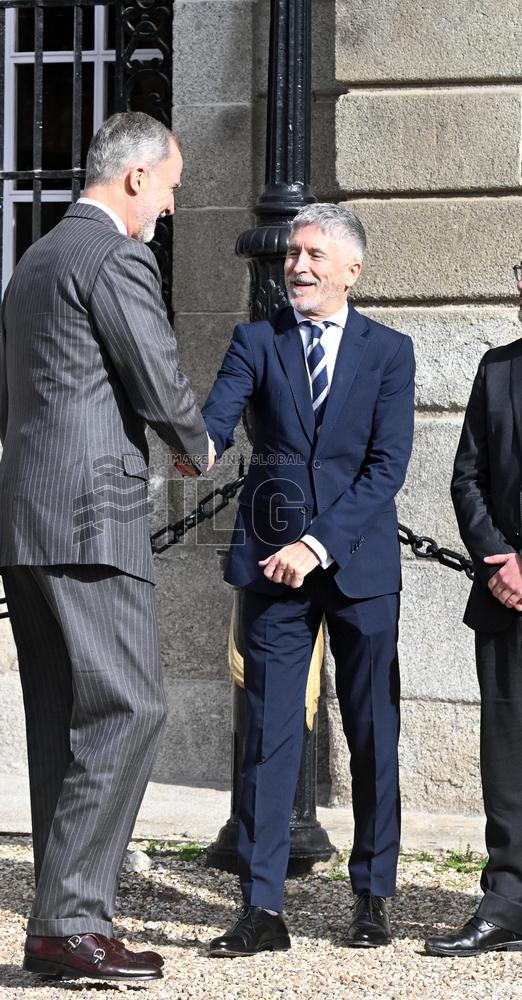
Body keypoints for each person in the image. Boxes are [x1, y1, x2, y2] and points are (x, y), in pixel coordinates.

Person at [0, 112, 213, 984]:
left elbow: (14, 402)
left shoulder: (36, 259)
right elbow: (155, 373)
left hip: (27, 516)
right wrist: (196, 444)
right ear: (137, 179)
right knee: (128, 708)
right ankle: (72, 920)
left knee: (64, 722)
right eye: (174, 185)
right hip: (89, 519)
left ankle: (61, 923)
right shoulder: (117, 255)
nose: (174, 204)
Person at [196, 203, 415, 954]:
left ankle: (373, 895)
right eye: (294, 254)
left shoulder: (390, 352)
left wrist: (318, 543)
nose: (299, 266)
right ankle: (262, 910)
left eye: (316, 255)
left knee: (371, 733)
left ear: (352, 268)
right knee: (270, 737)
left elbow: (386, 467)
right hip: (271, 568)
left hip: (358, 568)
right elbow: (217, 419)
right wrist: (190, 445)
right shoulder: (256, 341)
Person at [425, 263, 522, 957]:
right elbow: (467, 478)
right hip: (504, 595)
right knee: (508, 755)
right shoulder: (498, 369)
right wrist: (500, 560)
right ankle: (509, 901)